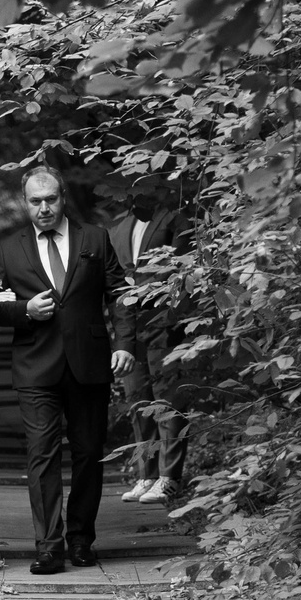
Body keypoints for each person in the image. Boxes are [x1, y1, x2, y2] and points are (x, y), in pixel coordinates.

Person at [0, 167, 132, 574]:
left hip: (89, 363)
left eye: (50, 199)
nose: (43, 207)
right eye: (35, 201)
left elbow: (120, 295)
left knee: (87, 454)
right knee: (41, 456)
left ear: (63, 197)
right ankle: (48, 546)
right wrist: (23, 311)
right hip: (35, 365)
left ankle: (81, 540)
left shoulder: (95, 238)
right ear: (24, 202)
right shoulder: (9, 248)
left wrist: (124, 344)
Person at [108, 200, 191, 503]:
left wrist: (139, 286)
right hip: (129, 326)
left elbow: (181, 267)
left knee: (169, 399)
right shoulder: (117, 227)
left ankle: (170, 477)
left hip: (165, 320)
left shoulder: (175, 216)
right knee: (137, 400)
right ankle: (148, 475)